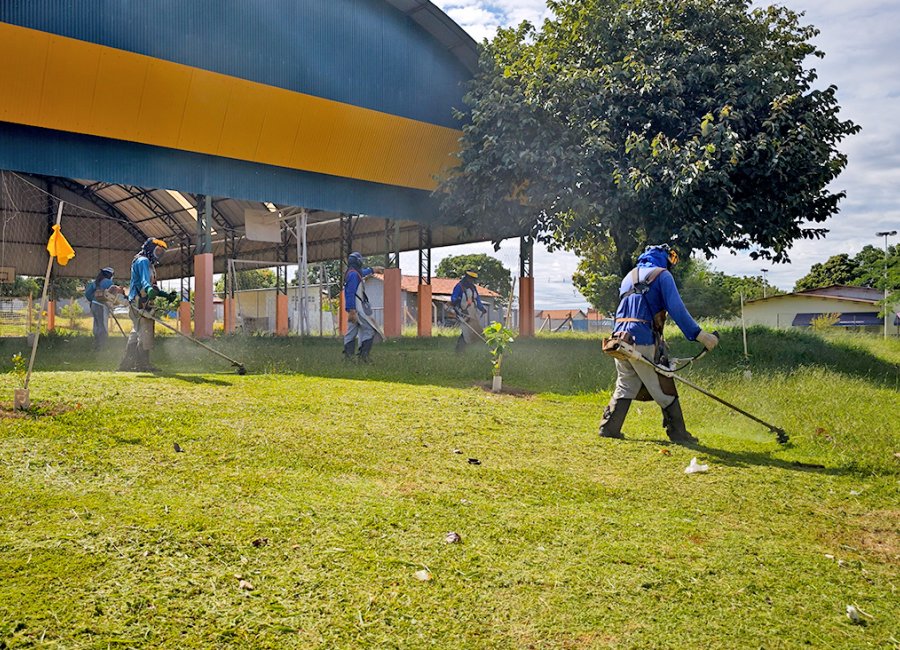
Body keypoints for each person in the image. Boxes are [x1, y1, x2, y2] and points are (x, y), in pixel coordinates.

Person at [599, 244, 718, 443]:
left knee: (626, 384)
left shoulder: (629, 276)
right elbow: (677, 309)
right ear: (665, 257)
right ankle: (678, 433)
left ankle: (609, 427)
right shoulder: (662, 275)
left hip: (619, 338)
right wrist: (700, 335)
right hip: (643, 338)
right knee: (663, 386)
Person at [120, 238, 171, 372]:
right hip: (139, 302)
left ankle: (127, 363)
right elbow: (144, 281)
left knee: (137, 332)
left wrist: (165, 295)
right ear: (150, 249)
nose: (159, 254)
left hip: (142, 301)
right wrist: (148, 289)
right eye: (158, 251)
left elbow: (152, 287)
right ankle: (143, 364)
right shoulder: (143, 261)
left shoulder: (150, 265)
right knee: (145, 332)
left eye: (162, 252)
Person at [343, 252, 384, 362]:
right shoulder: (353, 275)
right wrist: (352, 310)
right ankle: (363, 357)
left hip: (354, 309)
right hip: (357, 309)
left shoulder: (352, 273)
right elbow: (350, 293)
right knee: (369, 329)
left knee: (351, 332)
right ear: (358, 261)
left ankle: (348, 358)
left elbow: (362, 272)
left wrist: (373, 270)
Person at [450, 269, 487, 353]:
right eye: (470, 279)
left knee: (476, 331)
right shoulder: (459, 286)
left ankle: (463, 350)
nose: (472, 281)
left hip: (472, 312)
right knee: (466, 331)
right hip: (463, 312)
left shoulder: (473, 288)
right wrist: (456, 303)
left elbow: (477, 299)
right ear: (466, 277)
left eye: (473, 279)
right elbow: (453, 298)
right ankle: (459, 350)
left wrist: (481, 308)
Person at [84, 266, 118, 351]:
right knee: (103, 326)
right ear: (110, 275)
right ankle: (102, 347)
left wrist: (92, 300)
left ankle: (96, 345)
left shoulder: (96, 282)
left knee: (97, 325)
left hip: (94, 305)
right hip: (102, 306)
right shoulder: (108, 282)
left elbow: (88, 294)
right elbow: (112, 296)